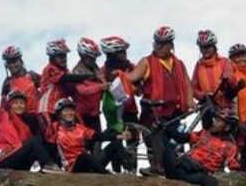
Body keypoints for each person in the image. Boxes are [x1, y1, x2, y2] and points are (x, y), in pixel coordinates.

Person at [125, 26, 195, 176]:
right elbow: (131, 78)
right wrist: (126, 82)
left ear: (171, 45)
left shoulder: (179, 64)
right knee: (157, 132)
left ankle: (176, 168)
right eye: (157, 43)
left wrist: (190, 101)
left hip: (174, 111)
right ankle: (157, 166)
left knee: (176, 140)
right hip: (153, 110)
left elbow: (187, 83)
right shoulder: (147, 62)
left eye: (163, 44)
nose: (159, 46)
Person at [161, 108, 242, 186]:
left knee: (212, 182)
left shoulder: (230, 146)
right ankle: (156, 167)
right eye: (216, 120)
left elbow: (234, 166)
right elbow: (182, 137)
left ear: (227, 127)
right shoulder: (204, 134)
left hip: (194, 174)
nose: (214, 123)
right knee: (161, 137)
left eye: (219, 121)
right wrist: (165, 128)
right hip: (178, 168)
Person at [0, 78, 59, 172]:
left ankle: (50, 169)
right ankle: (48, 166)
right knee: (34, 141)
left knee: (44, 143)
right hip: (2, 158)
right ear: (10, 105)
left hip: (18, 160)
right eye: (15, 103)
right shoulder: (2, 116)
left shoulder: (25, 127)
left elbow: (36, 147)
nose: (19, 106)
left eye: (22, 103)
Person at [50, 97, 128, 173]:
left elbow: (99, 136)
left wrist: (118, 136)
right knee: (83, 156)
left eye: (71, 110)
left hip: (89, 163)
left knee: (116, 144)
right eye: (66, 111)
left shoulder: (80, 128)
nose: (69, 113)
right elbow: (47, 145)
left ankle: (130, 169)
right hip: (73, 167)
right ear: (59, 114)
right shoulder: (55, 128)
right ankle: (107, 174)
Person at [191, 29, 238, 128]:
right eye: (202, 47)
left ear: (214, 46)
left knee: (227, 135)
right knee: (208, 134)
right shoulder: (198, 66)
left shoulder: (224, 62)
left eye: (208, 46)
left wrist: (227, 81)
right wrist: (203, 95)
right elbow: (193, 88)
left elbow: (233, 81)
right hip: (207, 106)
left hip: (225, 105)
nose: (205, 50)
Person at [67, 37, 108, 133]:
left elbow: (103, 81)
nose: (93, 60)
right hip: (81, 115)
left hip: (95, 114)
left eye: (94, 58)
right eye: (90, 58)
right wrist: (100, 87)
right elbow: (82, 91)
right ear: (82, 56)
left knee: (97, 144)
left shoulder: (95, 68)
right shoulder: (76, 72)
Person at [228, 43, 246, 170]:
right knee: (236, 147)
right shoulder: (231, 75)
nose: (241, 59)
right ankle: (236, 173)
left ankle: (243, 172)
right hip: (237, 115)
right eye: (237, 57)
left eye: (244, 55)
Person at [0, 46, 41, 135]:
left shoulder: (32, 76)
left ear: (21, 61)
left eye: (15, 61)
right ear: (7, 65)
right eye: (9, 63)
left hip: (38, 118)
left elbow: (48, 89)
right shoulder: (7, 83)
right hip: (20, 121)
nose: (13, 65)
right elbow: (3, 107)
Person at [101, 35, 139, 125]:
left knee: (134, 138)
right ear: (112, 55)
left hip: (131, 111)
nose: (125, 53)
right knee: (115, 137)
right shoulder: (103, 71)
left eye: (125, 51)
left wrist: (138, 88)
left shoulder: (131, 67)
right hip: (114, 113)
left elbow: (140, 88)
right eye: (121, 52)